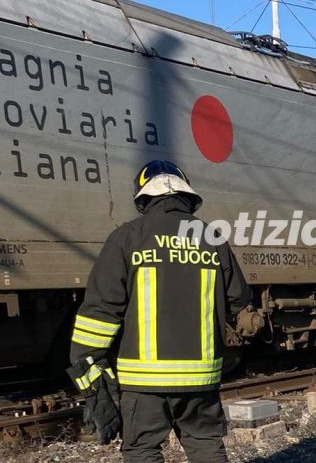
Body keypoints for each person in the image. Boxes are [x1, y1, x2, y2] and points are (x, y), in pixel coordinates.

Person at [67, 160, 252, 463]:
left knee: (141, 450)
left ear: (144, 198)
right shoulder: (211, 238)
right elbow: (238, 298)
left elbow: (99, 313)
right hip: (200, 380)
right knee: (206, 445)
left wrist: (90, 371)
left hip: (143, 384)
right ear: (186, 196)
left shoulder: (127, 238)